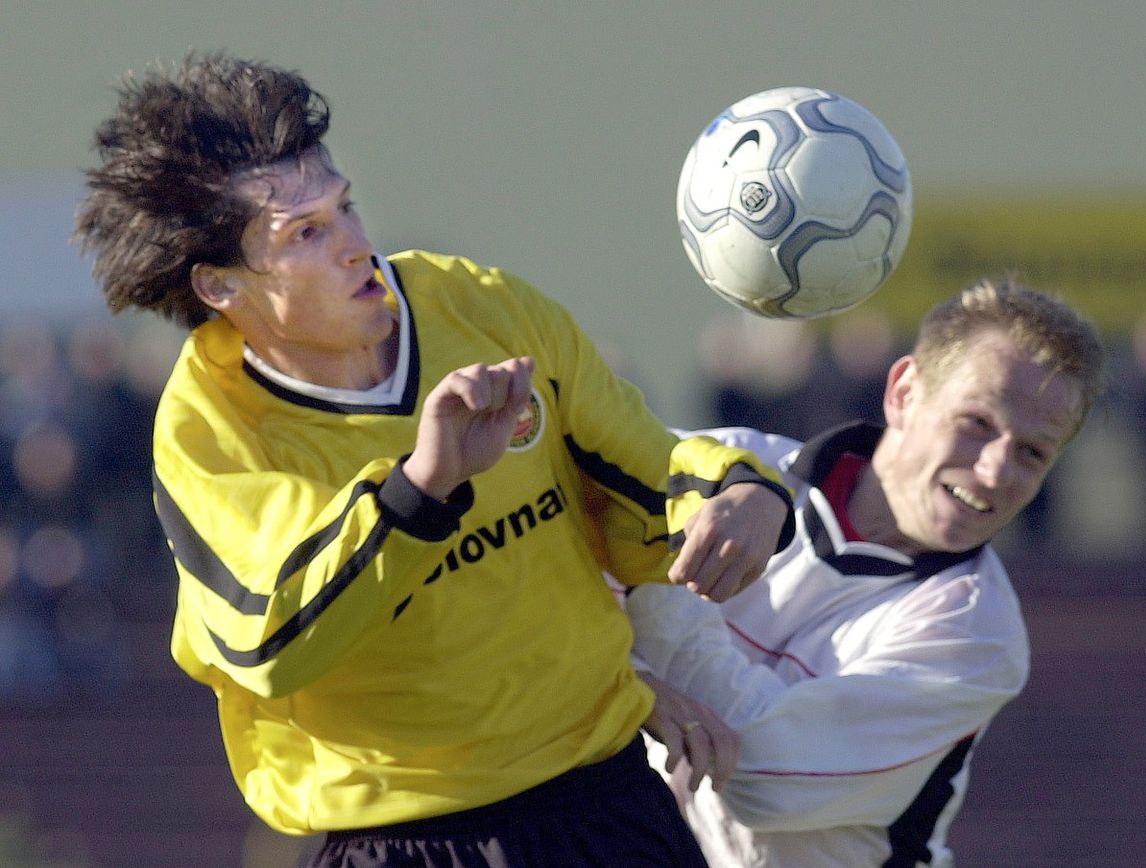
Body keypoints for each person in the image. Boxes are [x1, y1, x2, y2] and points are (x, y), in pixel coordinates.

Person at [73, 52, 795, 867]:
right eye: (307, 233)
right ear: (220, 287)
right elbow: (272, 640)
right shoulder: (209, 430)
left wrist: (742, 490)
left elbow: (643, 469)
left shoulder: (479, 306)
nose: (356, 245)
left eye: (345, 207)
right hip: (403, 842)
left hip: (607, 806)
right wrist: (420, 489)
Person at [624, 278, 1106, 867]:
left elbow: (766, 777)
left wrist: (655, 578)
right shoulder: (731, 462)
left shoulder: (977, 630)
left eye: (1032, 453)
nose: (994, 471)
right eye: (977, 422)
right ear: (904, 393)